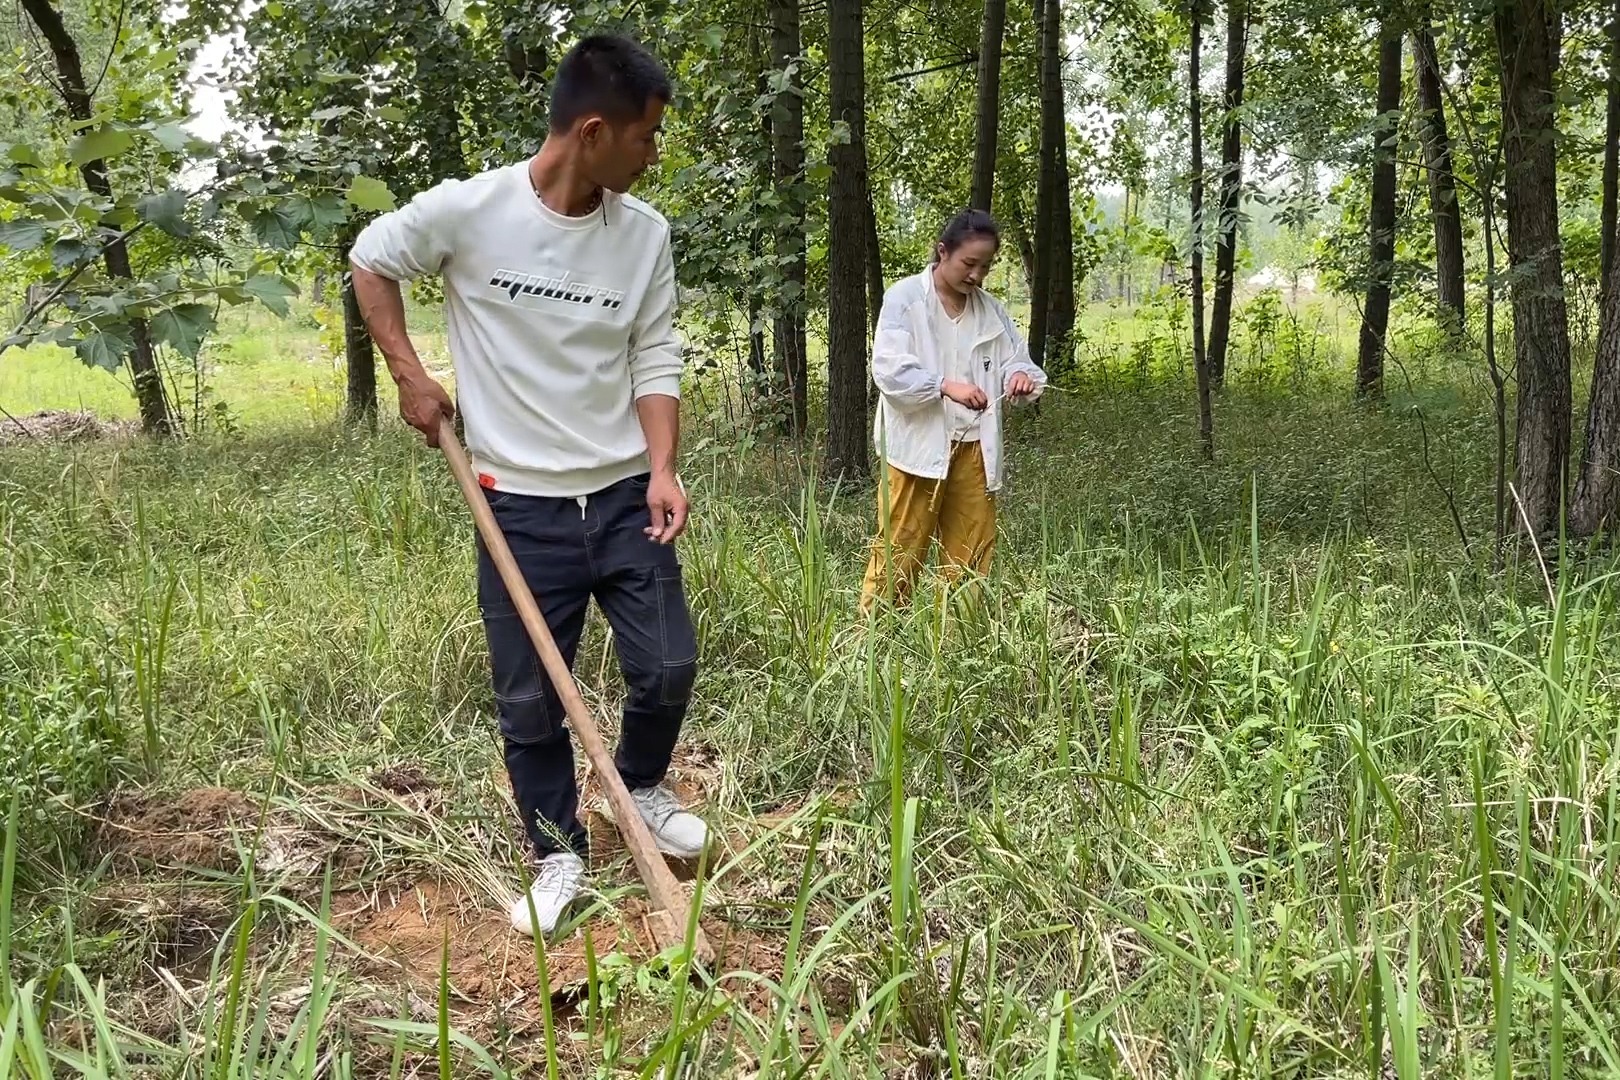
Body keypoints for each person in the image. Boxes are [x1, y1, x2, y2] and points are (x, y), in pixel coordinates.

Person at [348, 33, 707, 939]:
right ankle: (558, 849)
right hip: (516, 505)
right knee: (527, 700)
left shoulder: (644, 236)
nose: (654, 153)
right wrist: (407, 372)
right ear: (593, 132)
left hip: (626, 494)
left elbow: (654, 357)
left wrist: (663, 468)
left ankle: (638, 783)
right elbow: (371, 257)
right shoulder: (471, 212)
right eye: (647, 136)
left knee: (666, 665)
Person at [859, 209, 1048, 612]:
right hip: (915, 450)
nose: (976, 275)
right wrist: (943, 386)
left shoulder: (991, 311)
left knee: (971, 554)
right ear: (942, 252)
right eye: (968, 263)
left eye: (985, 266)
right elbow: (889, 371)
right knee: (899, 549)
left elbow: (1021, 362)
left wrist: (1020, 379)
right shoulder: (905, 299)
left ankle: (957, 647)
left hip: (974, 449)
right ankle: (873, 643)